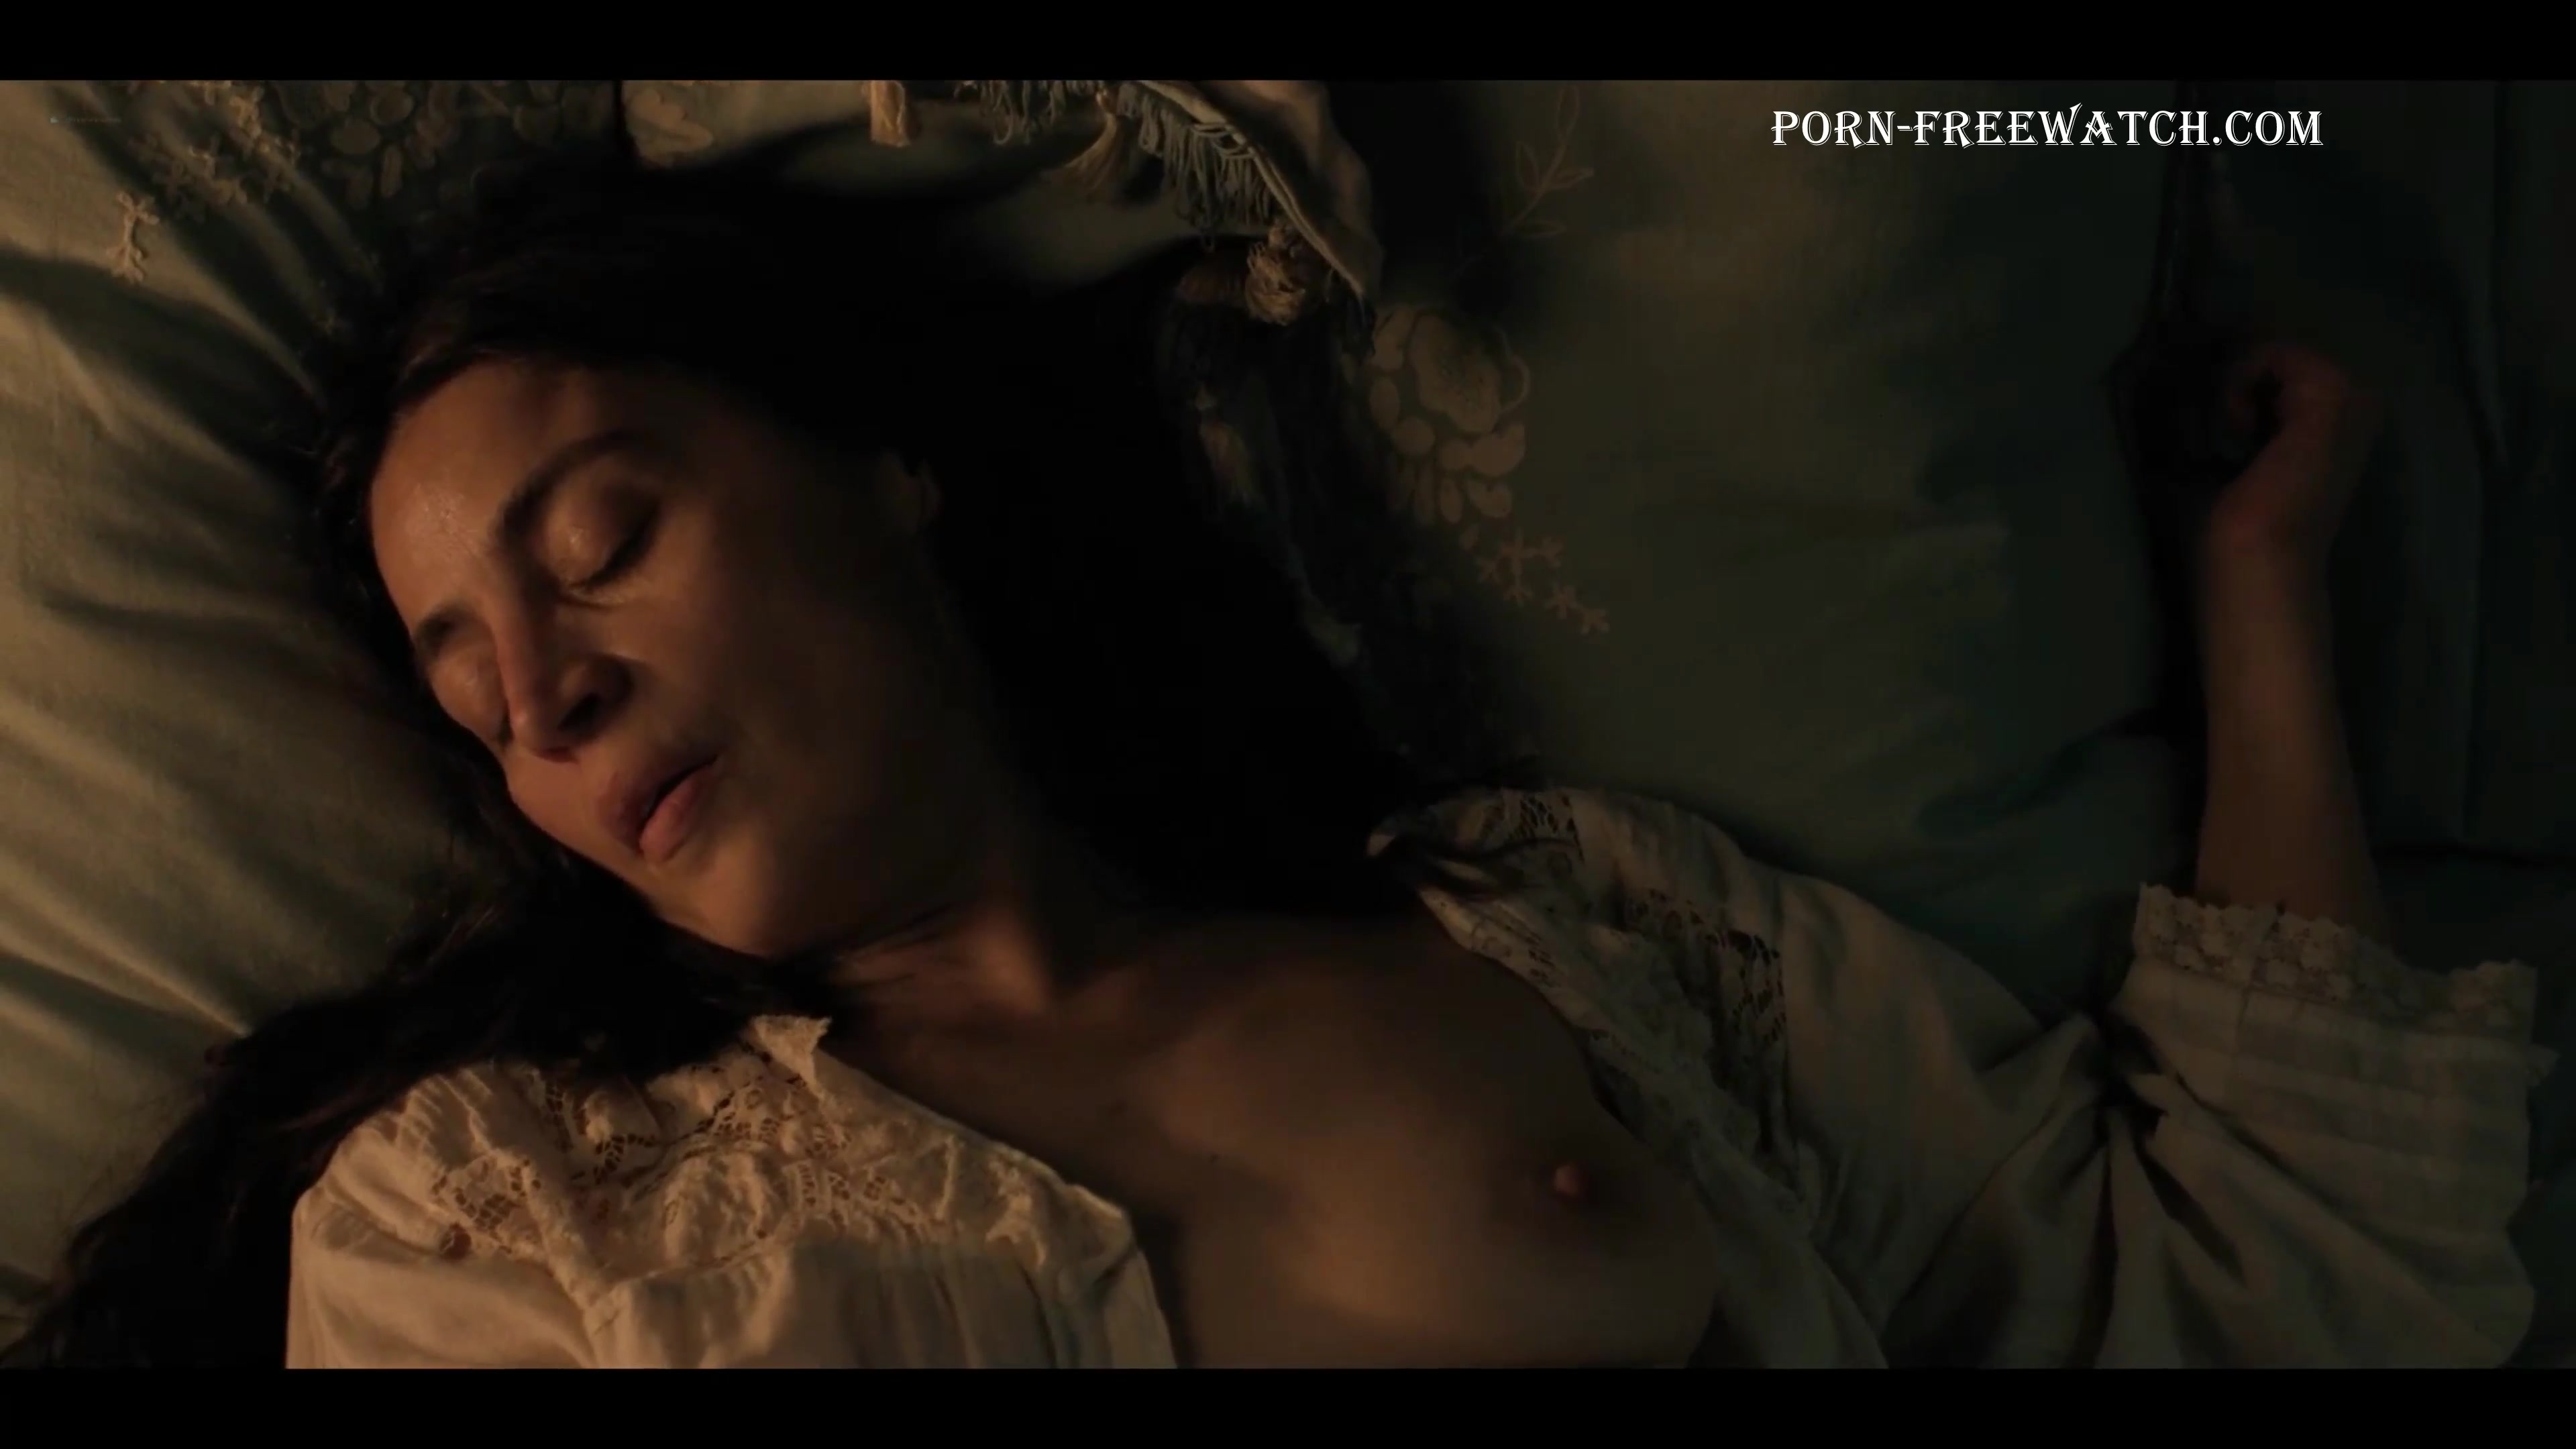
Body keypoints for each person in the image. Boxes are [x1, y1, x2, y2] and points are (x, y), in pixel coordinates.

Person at [3, 158, 2552, 1369]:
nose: (540, 701)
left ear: (884, 472)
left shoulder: (1578, 942)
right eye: (466, 690)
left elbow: (2289, 1296)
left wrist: (2260, 585)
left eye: (599, 544)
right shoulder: (488, 1224)